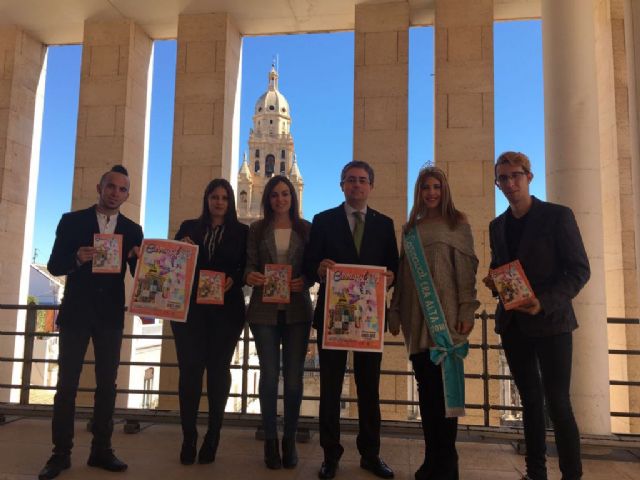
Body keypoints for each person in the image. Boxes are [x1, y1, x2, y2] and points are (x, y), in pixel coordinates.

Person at [482, 151, 590, 480]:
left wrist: (543, 303)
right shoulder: (496, 225)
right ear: (498, 184)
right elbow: (501, 266)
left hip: (552, 322)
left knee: (558, 404)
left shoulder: (558, 216)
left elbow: (579, 271)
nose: (510, 182)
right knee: (529, 402)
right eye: (503, 177)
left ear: (529, 177)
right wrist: (493, 280)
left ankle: (572, 475)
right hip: (514, 324)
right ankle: (535, 472)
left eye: (515, 175)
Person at [39, 165, 143, 480]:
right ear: (100, 187)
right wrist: (76, 259)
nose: (115, 193)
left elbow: (139, 275)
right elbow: (54, 265)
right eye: (111, 186)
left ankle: (101, 450)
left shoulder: (132, 229)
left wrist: (140, 259)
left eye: (122, 189)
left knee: (107, 387)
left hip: (110, 315)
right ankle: (60, 454)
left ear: (127, 195)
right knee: (66, 386)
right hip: (76, 313)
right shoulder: (71, 222)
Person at [305, 160, 399, 480]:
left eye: (362, 180)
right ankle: (331, 455)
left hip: (369, 322)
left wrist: (390, 276)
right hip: (333, 320)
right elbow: (308, 265)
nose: (356, 185)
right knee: (330, 389)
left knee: (369, 389)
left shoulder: (385, 225)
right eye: (350, 180)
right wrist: (319, 267)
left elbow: (393, 267)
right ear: (341, 185)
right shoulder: (323, 220)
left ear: (371, 186)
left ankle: (370, 454)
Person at [389, 166, 479, 480]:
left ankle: (447, 461)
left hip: (447, 319)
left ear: (444, 190)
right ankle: (432, 459)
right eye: (426, 187)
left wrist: (467, 310)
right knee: (426, 393)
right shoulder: (410, 229)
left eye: (436, 187)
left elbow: (467, 270)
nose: (431, 193)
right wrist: (395, 310)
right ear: (419, 191)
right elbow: (402, 274)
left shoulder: (458, 223)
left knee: (446, 394)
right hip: (417, 318)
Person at [171, 178, 248, 465]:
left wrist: (234, 279)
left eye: (224, 198)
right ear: (207, 199)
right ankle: (188, 436)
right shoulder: (188, 228)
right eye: (214, 196)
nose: (219, 202)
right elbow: (173, 261)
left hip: (226, 313)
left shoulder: (243, 232)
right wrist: (181, 246)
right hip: (189, 312)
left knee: (218, 372)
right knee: (189, 374)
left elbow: (246, 267)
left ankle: (213, 436)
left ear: (230, 202)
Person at [244, 175, 313, 470]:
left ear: (293, 197)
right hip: (264, 312)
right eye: (274, 195)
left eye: (285, 194)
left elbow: (313, 267)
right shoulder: (257, 229)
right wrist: (251, 276)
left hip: (297, 311)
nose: (280, 199)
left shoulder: (306, 229)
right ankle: (270, 440)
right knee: (269, 375)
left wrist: (305, 280)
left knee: (295, 378)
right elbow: (247, 263)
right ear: (267, 198)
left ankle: (289, 440)